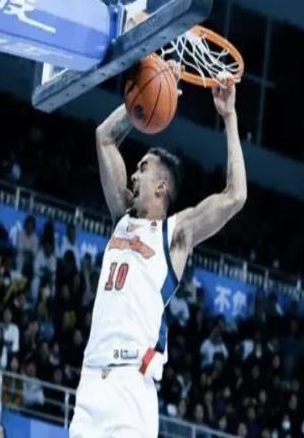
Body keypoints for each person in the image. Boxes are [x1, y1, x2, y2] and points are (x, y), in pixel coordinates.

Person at [69, 77, 247, 438]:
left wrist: (229, 118)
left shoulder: (176, 234)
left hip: (131, 385)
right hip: (91, 379)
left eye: (142, 168)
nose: (133, 174)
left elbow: (235, 196)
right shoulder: (122, 217)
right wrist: (143, 97)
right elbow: (105, 137)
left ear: (162, 186)